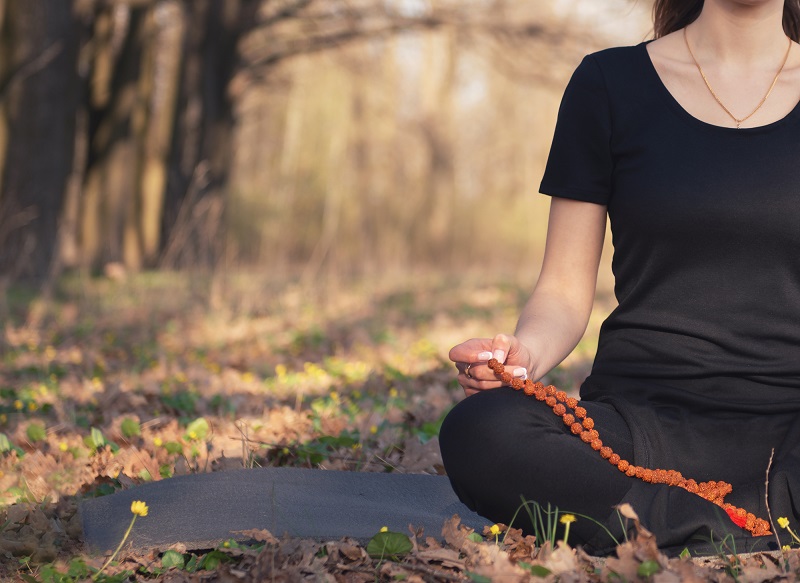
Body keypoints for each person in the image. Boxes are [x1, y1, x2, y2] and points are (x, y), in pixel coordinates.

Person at [440, 0, 800, 555]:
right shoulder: (609, 83)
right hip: (638, 428)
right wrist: (521, 357)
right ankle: (752, 521)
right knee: (481, 432)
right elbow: (561, 289)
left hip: (791, 426)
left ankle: (677, 525)